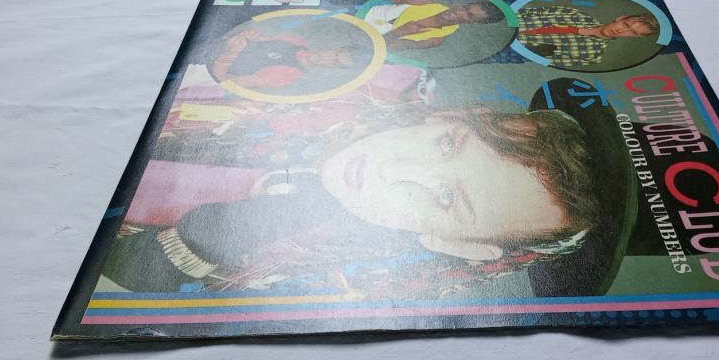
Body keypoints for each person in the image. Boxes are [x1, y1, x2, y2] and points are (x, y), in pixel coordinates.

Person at [104, 107, 600, 298]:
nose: (397, 171)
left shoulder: (318, 282)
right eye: (448, 145)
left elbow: (120, 279)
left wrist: (212, 238)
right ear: (447, 117)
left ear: (457, 244)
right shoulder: (332, 102)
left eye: (447, 197)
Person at [210, 24, 368, 91]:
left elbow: (222, 83)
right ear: (335, 48)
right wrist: (246, 33)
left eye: (335, 62)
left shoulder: (288, 75)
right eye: (336, 54)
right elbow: (247, 31)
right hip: (213, 37)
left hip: (205, 65)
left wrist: (227, 56)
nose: (328, 58)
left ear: (333, 69)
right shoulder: (296, 41)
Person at [517, 6, 658, 68]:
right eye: (625, 24)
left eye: (632, 32)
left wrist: (531, 51)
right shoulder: (576, 14)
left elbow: (537, 62)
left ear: (635, 37)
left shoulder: (592, 55)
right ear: (620, 18)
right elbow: (523, 11)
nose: (621, 31)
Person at [364, 0, 506, 51]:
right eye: (465, 7)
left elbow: (374, 49)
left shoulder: (435, 40)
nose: (458, 12)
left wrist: (398, 33)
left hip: (361, 35)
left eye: (468, 15)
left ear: (474, 23)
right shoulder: (425, 1)